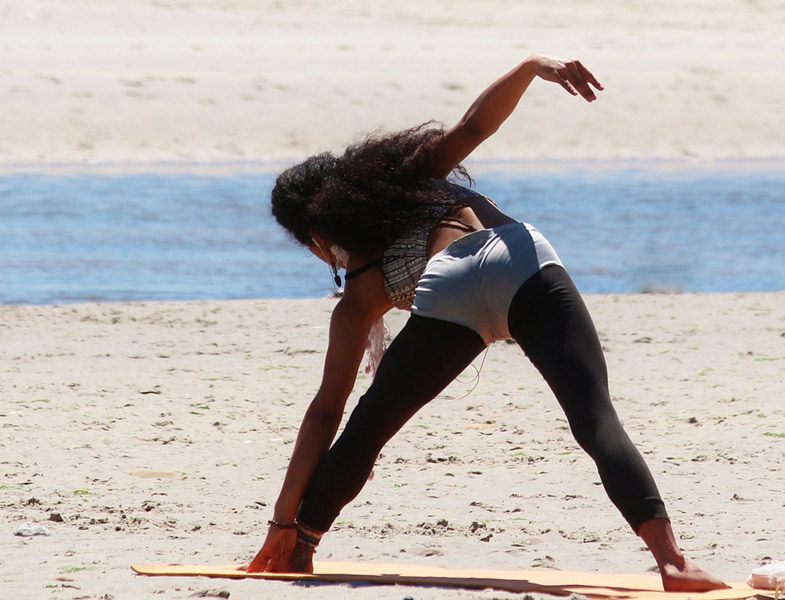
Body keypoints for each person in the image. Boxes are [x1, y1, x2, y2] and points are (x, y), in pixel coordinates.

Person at [245, 54, 728, 593]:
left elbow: (324, 416)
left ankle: (298, 549)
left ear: (316, 237)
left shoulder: (359, 292)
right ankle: (673, 563)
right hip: (519, 259)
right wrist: (529, 68)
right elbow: (476, 125)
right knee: (595, 419)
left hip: (450, 289)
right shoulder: (413, 179)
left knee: (368, 428)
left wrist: (283, 522)